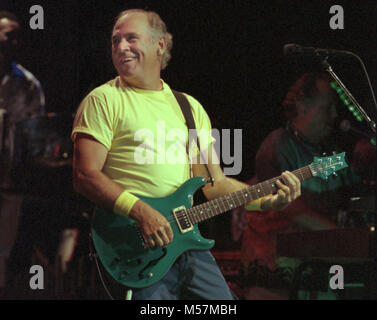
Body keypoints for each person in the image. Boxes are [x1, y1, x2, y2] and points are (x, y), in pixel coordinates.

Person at [71, 9, 301, 300]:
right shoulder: (104, 99)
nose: (121, 47)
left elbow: (212, 183)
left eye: (131, 38)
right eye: (115, 41)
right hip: (136, 249)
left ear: (160, 45)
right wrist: (141, 212)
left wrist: (266, 200)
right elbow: (85, 175)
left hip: (186, 245)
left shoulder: (189, 107)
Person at [232, 72, 363, 299]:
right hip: (272, 276)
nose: (334, 115)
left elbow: (354, 190)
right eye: (328, 107)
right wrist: (347, 239)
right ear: (303, 107)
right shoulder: (278, 144)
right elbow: (290, 208)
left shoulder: (329, 150)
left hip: (312, 271)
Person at [0, 11, 45, 291]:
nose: (11, 41)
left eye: (16, 36)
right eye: (7, 34)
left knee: (3, 248)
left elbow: (35, 135)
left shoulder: (27, 84)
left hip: (9, 179)